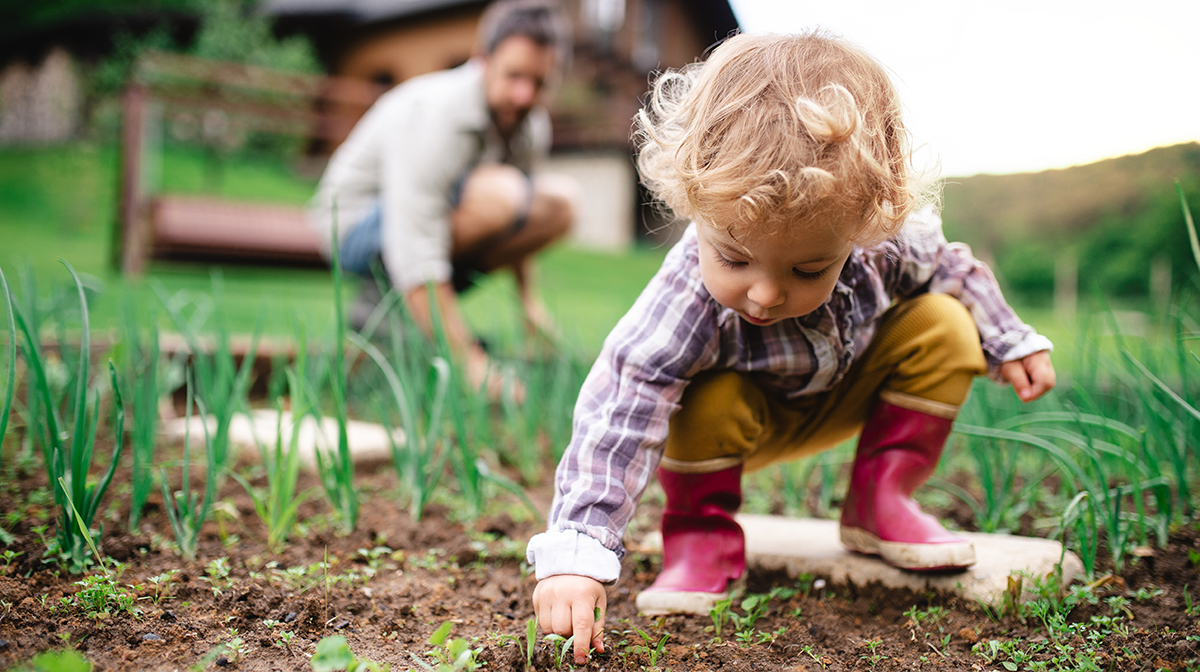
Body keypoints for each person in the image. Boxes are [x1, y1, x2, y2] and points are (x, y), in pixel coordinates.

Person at [525, 31, 1056, 664]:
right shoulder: (685, 295)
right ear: (695, 207)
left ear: (862, 226)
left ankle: (881, 500)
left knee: (944, 321)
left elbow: (955, 269)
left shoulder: (882, 243)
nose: (766, 293)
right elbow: (621, 401)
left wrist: (1008, 338)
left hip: (846, 391)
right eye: (734, 257)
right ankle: (699, 535)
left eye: (808, 269)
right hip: (736, 427)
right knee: (694, 391)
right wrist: (579, 550)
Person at [308, 0, 577, 398]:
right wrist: (469, 362)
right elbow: (415, 238)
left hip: (428, 221)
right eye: (514, 75)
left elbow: (522, 217)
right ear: (482, 61)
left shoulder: (529, 124)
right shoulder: (437, 114)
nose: (524, 95)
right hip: (353, 226)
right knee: (502, 193)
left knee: (560, 205)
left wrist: (529, 306)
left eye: (539, 82)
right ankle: (385, 309)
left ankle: (405, 316)